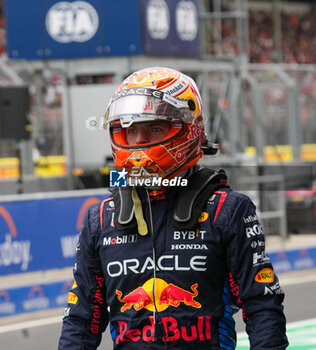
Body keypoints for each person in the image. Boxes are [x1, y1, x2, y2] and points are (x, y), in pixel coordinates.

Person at [58, 67, 288, 349]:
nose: (139, 141)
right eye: (131, 131)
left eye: (154, 128)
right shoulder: (102, 218)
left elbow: (262, 306)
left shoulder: (227, 210)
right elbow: (81, 320)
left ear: (189, 129)